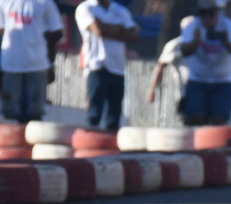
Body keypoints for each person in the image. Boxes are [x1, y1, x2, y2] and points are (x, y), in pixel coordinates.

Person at [74, 0, 139, 131]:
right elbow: (98, 30)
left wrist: (106, 27)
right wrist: (120, 28)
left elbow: (133, 34)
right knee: (95, 111)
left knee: (114, 113)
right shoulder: (86, 8)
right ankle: (90, 144)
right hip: (97, 65)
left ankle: (110, 144)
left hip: (118, 68)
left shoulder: (120, 10)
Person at [180, 0, 231, 126]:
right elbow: (184, 51)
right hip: (198, 79)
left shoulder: (229, 26)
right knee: (196, 116)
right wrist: (195, 41)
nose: (207, 17)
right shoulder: (193, 26)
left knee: (219, 119)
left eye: (211, 13)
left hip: (223, 80)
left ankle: (215, 145)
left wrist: (226, 42)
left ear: (218, 13)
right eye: (203, 13)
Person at [0, 0, 63, 124]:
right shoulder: (4, 2)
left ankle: (31, 141)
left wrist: (42, 49)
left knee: (35, 112)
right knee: (10, 111)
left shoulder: (45, 3)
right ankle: (11, 142)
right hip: (10, 64)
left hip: (37, 64)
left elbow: (57, 32)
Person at [145, 16, 195, 120]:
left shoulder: (206, 44)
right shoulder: (176, 44)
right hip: (185, 92)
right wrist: (152, 90)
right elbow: (160, 66)